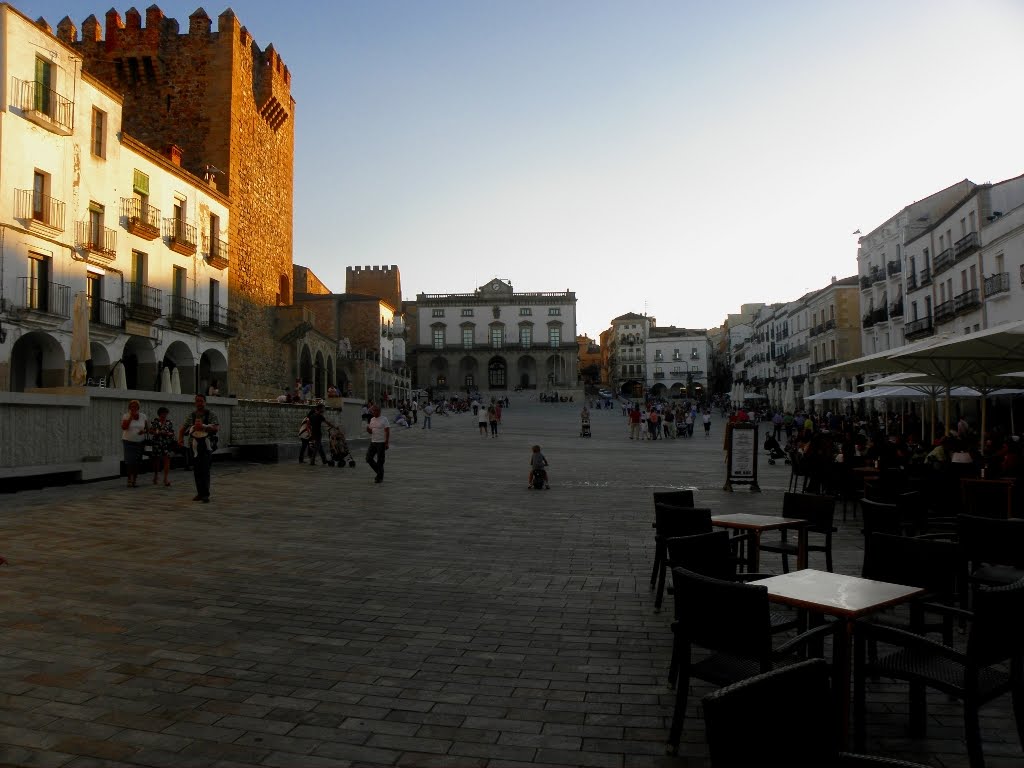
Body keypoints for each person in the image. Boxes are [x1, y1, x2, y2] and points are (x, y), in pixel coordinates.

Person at [178, 393, 219, 503]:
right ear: (195, 402)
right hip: (194, 446)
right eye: (197, 401)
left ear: (205, 402)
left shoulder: (210, 414)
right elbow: (183, 428)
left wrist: (205, 427)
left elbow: (216, 428)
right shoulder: (192, 415)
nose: (199, 403)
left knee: (205, 469)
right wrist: (180, 439)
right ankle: (200, 493)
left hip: (206, 446)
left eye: (201, 401)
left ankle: (205, 494)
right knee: (197, 470)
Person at [120, 399, 148, 488]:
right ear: (129, 408)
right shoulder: (126, 416)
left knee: (137, 462)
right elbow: (124, 427)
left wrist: (144, 431)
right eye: (132, 406)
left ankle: (134, 480)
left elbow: (148, 429)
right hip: (128, 442)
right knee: (129, 462)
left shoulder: (143, 416)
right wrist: (131, 417)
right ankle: (129, 479)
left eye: (136, 406)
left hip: (140, 442)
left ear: (138, 408)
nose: (134, 408)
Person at [149, 406, 175, 486]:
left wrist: (168, 433)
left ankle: (165, 478)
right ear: (159, 414)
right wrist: (158, 432)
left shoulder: (169, 422)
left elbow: (172, 432)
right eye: (162, 414)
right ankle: (156, 475)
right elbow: (150, 431)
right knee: (157, 461)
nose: (164, 415)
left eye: (165, 414)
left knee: (167, 460)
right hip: (157, 443)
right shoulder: (155, 421)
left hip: (167, 443)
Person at [365, 405, 390, 483]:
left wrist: (386, 443)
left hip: (381, 442)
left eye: (375, 411)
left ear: (379, 411)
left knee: (380, 460)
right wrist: (368, 429)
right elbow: (371, 431)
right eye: (373, 411)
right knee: (368, 458)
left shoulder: (384, 419)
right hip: (373, 442)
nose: (373, 412)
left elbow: (387, 431)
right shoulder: (372, 419)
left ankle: (379, 477)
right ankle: (379, 473)